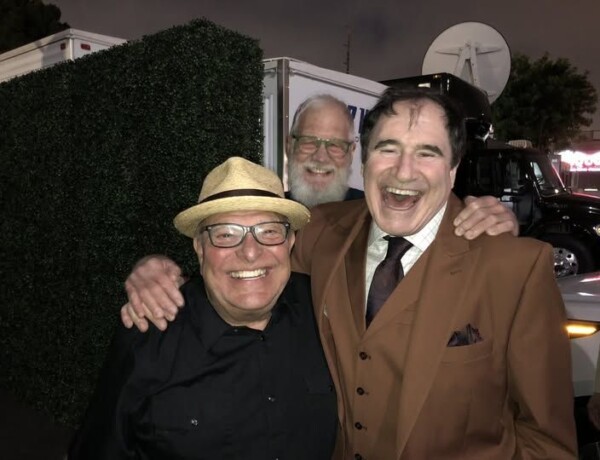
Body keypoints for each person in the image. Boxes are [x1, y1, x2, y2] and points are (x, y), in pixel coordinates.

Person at [121, 88, 577, 458]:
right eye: (388, 149)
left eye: (427, 153)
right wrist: (155, 268)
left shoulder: (516, 268)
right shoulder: (320, 232)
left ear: (453, 169)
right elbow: (245, 259)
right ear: (365, 161)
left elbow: (547, 442)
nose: (404, 171)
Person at [122, 93, 519, 331]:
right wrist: (152, 267)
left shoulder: (385, 214)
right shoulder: (257, 211)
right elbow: (220, 263)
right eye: (309, 142)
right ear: (290, 147)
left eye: (335, 145)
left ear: (353, 154)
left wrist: (491, 220)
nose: (321, 157)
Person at [68, 157, 338, 459]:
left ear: (290, 242)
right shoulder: (149, 335)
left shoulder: (325, 306)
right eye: (226, 234)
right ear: (199, 248)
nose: (250, 252)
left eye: (269, 231)